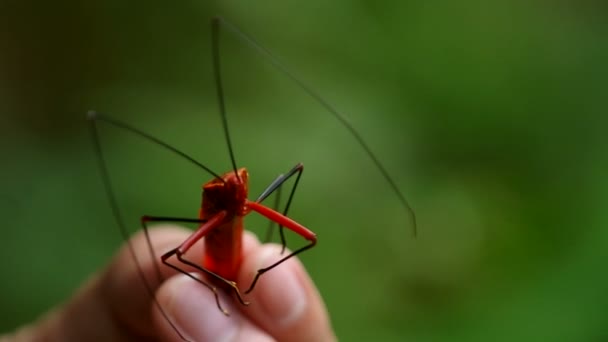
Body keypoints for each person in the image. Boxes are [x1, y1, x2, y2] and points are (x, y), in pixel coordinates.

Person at [3, 226, 336, 341]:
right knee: (168, 256)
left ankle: (253, 275)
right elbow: (170, 258)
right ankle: (219, 289)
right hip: (208, 260)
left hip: (237, 267)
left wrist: (262, 272)